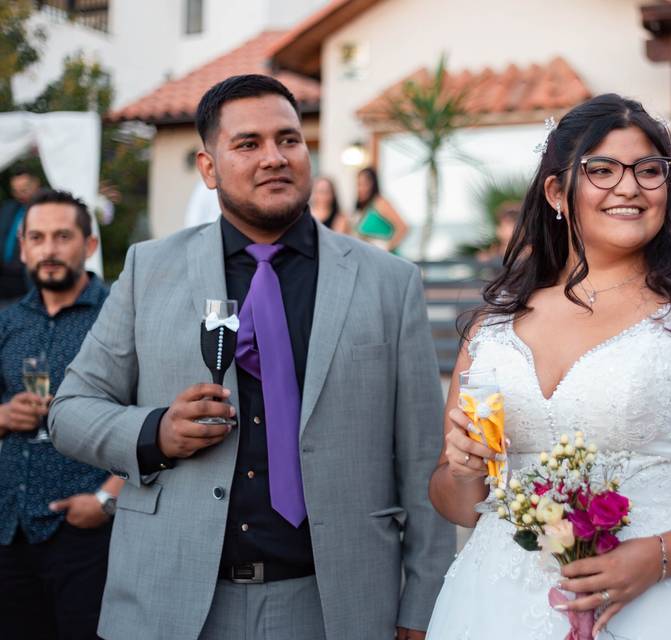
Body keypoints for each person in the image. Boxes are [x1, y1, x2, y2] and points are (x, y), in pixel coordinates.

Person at [49, 74, 454, 640]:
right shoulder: (149, 270)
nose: (274, 158)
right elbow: (69, 410)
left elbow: (424, 459)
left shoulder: (388, 282)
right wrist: (154, 431)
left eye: (289, 140)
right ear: (209, 167)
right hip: (173, 598)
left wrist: (424, 604)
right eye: (248, 144)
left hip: (336, 602)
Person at [426, 94, 671, 639]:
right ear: (557, 191)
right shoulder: (493, 328)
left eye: (648, 171)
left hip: (669, 606)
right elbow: (457, 503)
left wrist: (655, 558)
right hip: (497, 607)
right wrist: (464, 473)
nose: (629, 187)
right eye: (602, 170)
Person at [0, 189, 121, 640]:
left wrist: (106, 502)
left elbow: (151, 416)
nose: (49, 250)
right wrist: (4, 416)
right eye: (38, 237)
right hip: (10, 532)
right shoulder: (8, 322)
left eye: (62, 236)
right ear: (24, 246)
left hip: (86, 531)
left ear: (88, 245)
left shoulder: (117, 316)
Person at [0, 169, 42, 306]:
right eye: (15, 191)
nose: (20, 195)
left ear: (36, 184)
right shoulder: (9, 207)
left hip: (27, 280)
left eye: (24, 189)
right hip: (4, 276)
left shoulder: (47, 211)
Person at [353, 166, 408, 252]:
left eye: (365, 184)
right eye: (359, 184)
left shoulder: (380, 203)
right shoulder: (364, 208)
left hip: (385, 259)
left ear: (373, 184)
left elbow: (403, 227)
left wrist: (386, 249)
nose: (361, 188)